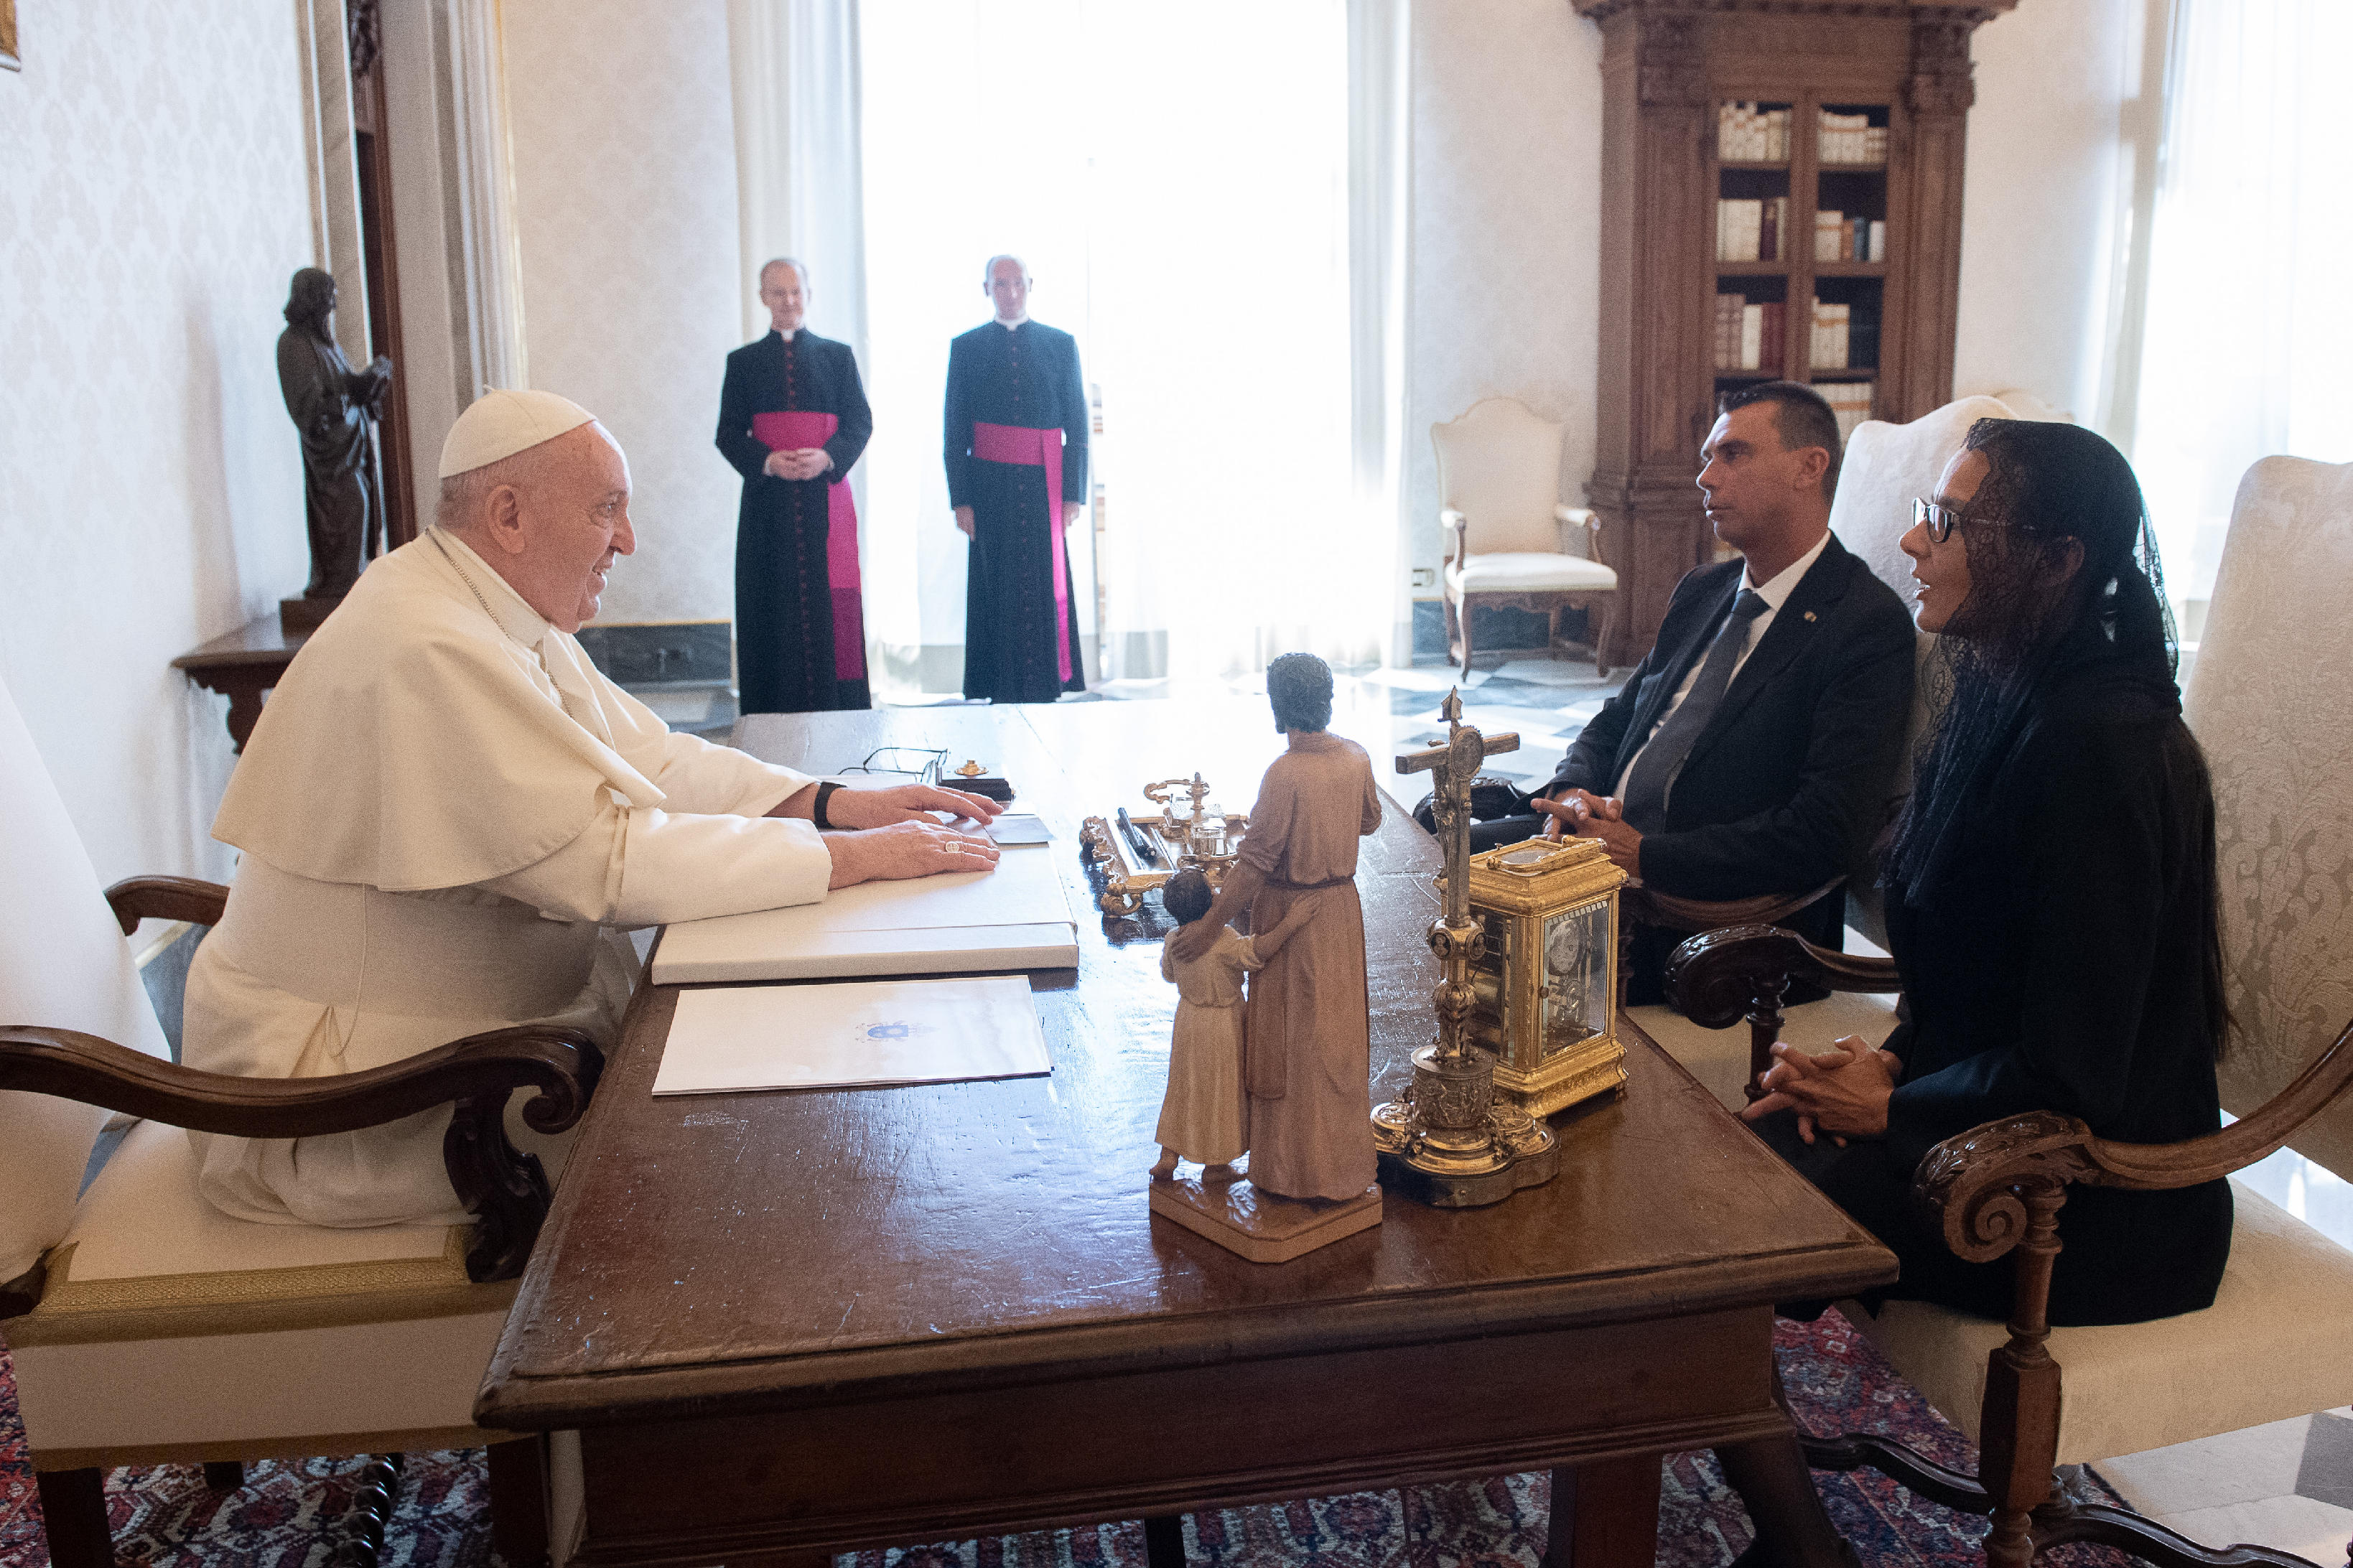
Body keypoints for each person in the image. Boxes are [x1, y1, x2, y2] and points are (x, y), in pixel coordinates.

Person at [185, 389, 1000, 1231]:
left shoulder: (486, 605)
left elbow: (651, 756)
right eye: (607, 508)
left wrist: (836, 804)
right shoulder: (426, 643)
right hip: (363, 1098)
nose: (628, 539)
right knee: (750, 1139)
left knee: (772, 1073)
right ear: (509, 516)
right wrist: (854, 859)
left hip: (481, 1037)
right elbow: (604, 866)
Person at [1718, 419, 2234, 1567]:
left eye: (1949, 523)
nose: (1912, 540)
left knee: (1703, 1252)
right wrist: (1888, 1061)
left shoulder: (2101, 747)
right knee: (1722, 1175)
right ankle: (1795, 1540)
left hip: (2095, 1201)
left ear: (2055, 559)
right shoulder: (2014, 691)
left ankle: (1801, 1550)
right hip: (1990, 1129)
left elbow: (2077, 1067)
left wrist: (1893, 1109)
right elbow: (1986, 974)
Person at [1424, 382, 1916, 1003]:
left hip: (1702, 918)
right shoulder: (1705, 590)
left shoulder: (1864, 624)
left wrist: (1645, 855)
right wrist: (1571, 789)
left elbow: (1824, 832)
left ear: (1808, 467)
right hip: (1598, 849)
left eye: (1733, 454)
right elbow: (1617, 718)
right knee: (1429, 851)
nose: (1705, 477)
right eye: (1708, 457)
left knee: (1453, 939)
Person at [1168, 653, 1381, 1203]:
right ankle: (1342, 1168)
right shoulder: (1356, 756)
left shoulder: (1285, 773)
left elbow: (1253, 866)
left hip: (1293, 918)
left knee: (1294, 1047)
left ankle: (1295, 1173)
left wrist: (1209, 926)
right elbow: (1369, 821)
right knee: (1337, 1043)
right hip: (1340, 912)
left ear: (1279, 703)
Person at [716, 258, 875, 713]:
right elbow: (728, 434)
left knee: (828, 605)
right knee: (772, 600)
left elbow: (860, 422)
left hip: (826, 500)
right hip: (768, 506)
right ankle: (772, 712)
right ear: (763, 297)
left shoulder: (838, 356)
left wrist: (828, 456)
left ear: (808, 294)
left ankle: (835, 707)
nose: (788, 301)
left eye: (795, 291)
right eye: (778, 292)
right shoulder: (743, 363)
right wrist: (768, 462)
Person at [943, 254, 1089, 704]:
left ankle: (1048, 686)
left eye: (1017, 283)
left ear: (1031, 285)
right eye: (1000, 284)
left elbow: (1078, 427)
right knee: (996, 587)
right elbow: (955, 431)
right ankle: (997, 687)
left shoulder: (1060, 344)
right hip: (989, 490)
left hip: (1046, 488)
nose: (1010, 292)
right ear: (986, 289)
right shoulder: (966, 347)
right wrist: (961, 500)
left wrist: (1073, 495)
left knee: (1045, 586)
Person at [1150, 867, 1310, 1185]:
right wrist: (1292, 923)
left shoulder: (1173, 939)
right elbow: (1258, 952)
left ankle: (1169, 1155)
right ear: (1210, 902)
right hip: (1223, 1024)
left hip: (1188, 1022)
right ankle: (1216, 1166)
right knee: (1222, 1091)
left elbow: (1168, 975)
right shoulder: (1224, 940)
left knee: (1183, 1087)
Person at [276, 266, 392, 602]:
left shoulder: (326, 344)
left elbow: (344, 385)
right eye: (328, 301)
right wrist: (350, 396)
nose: (332, 309)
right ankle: (340, 585)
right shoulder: (293, 344)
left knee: (364, 507)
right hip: (332, 459)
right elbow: (308, 411)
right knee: (350, 506)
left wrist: (370, 383)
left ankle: (352, 583)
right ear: (312, 302)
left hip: (353, 448)